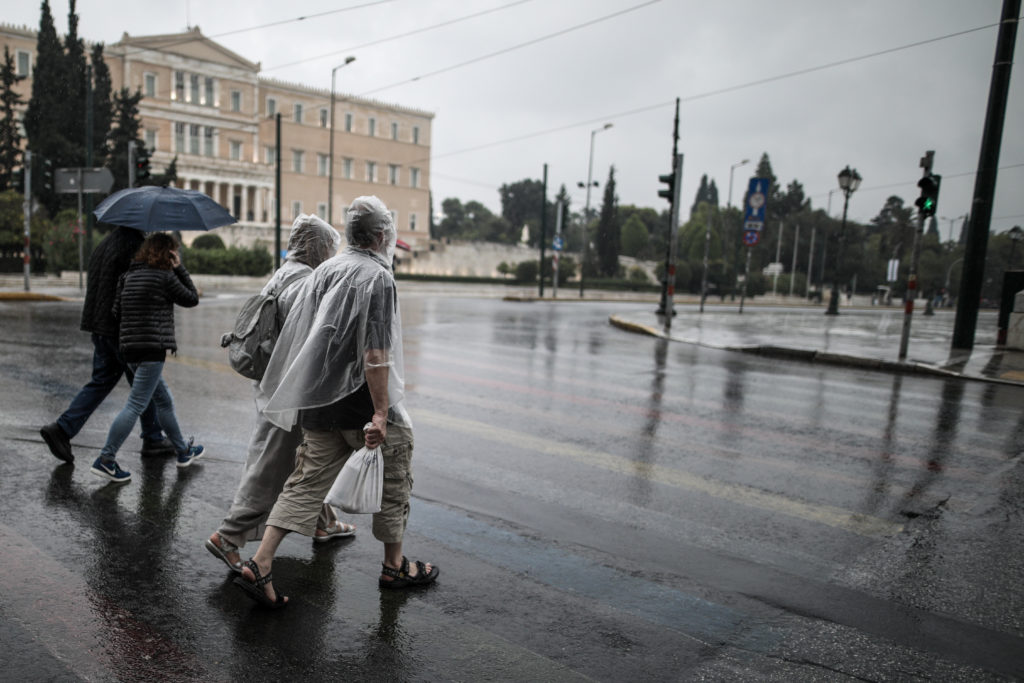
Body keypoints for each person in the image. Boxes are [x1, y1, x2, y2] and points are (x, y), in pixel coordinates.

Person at [234, 196, 437, 608]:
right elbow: (376, 353)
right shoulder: (378, 278)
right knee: (394, 479)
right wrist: (381, 412)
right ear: (382, 236)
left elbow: (306, 335)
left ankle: (260, 562)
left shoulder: (325, 270)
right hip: (363, 405)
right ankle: (394, 566)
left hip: (319, 405)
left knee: (304, 485)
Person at [205, 214, 353, 573]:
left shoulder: (283, 273)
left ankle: (324, 520)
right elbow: (309, 341)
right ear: (317, 247)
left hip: (274, 385)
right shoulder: (305, 283)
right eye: (328, 248)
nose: (331, 255)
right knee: (273, 466)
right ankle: (228, 536)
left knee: (309, 458)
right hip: (289, 391)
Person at [40, 226, 174, 464]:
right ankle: (152, 440)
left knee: (103, 382)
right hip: (121, 330)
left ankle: (62, 430)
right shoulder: (133, 246)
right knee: (146, 384)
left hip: (100, 326)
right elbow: (139, 287)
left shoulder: (106, 242)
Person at [90, 233, 204, 483]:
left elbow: (116, 310)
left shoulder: (127, 276)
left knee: (163, 400)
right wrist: (179, 268)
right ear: (169, 253)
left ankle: (183, 451)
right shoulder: (165, 277)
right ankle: (106, 459)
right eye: (174, 253)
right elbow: (191, 298)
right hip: (152, 350)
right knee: (136, 404)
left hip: (129, 350)